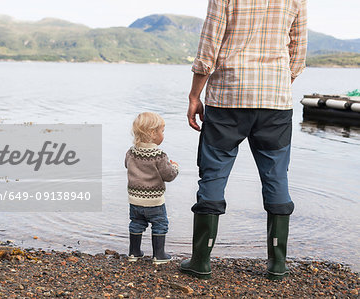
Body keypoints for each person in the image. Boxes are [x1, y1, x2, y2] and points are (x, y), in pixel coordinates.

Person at [180, 0, 308, 280]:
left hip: (227, 96)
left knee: (213, 175)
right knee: (276, 177)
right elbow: (298, 52)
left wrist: (194, 95)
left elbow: (208, 47)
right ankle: (277, 264)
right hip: (275, 100)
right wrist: (278, 84)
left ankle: (201, 262)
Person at [125, 112, 179, 264]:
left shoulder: (131, 152)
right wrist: (175, 167)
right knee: (160, 224)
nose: (163, 134)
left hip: (134, 200)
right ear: (152, 133)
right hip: (154, 201)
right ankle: (159, 255)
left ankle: (134, 252)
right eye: (162, 131)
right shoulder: (159, 155)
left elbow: (126, 165)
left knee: (136, 222)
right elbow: (169, 175)